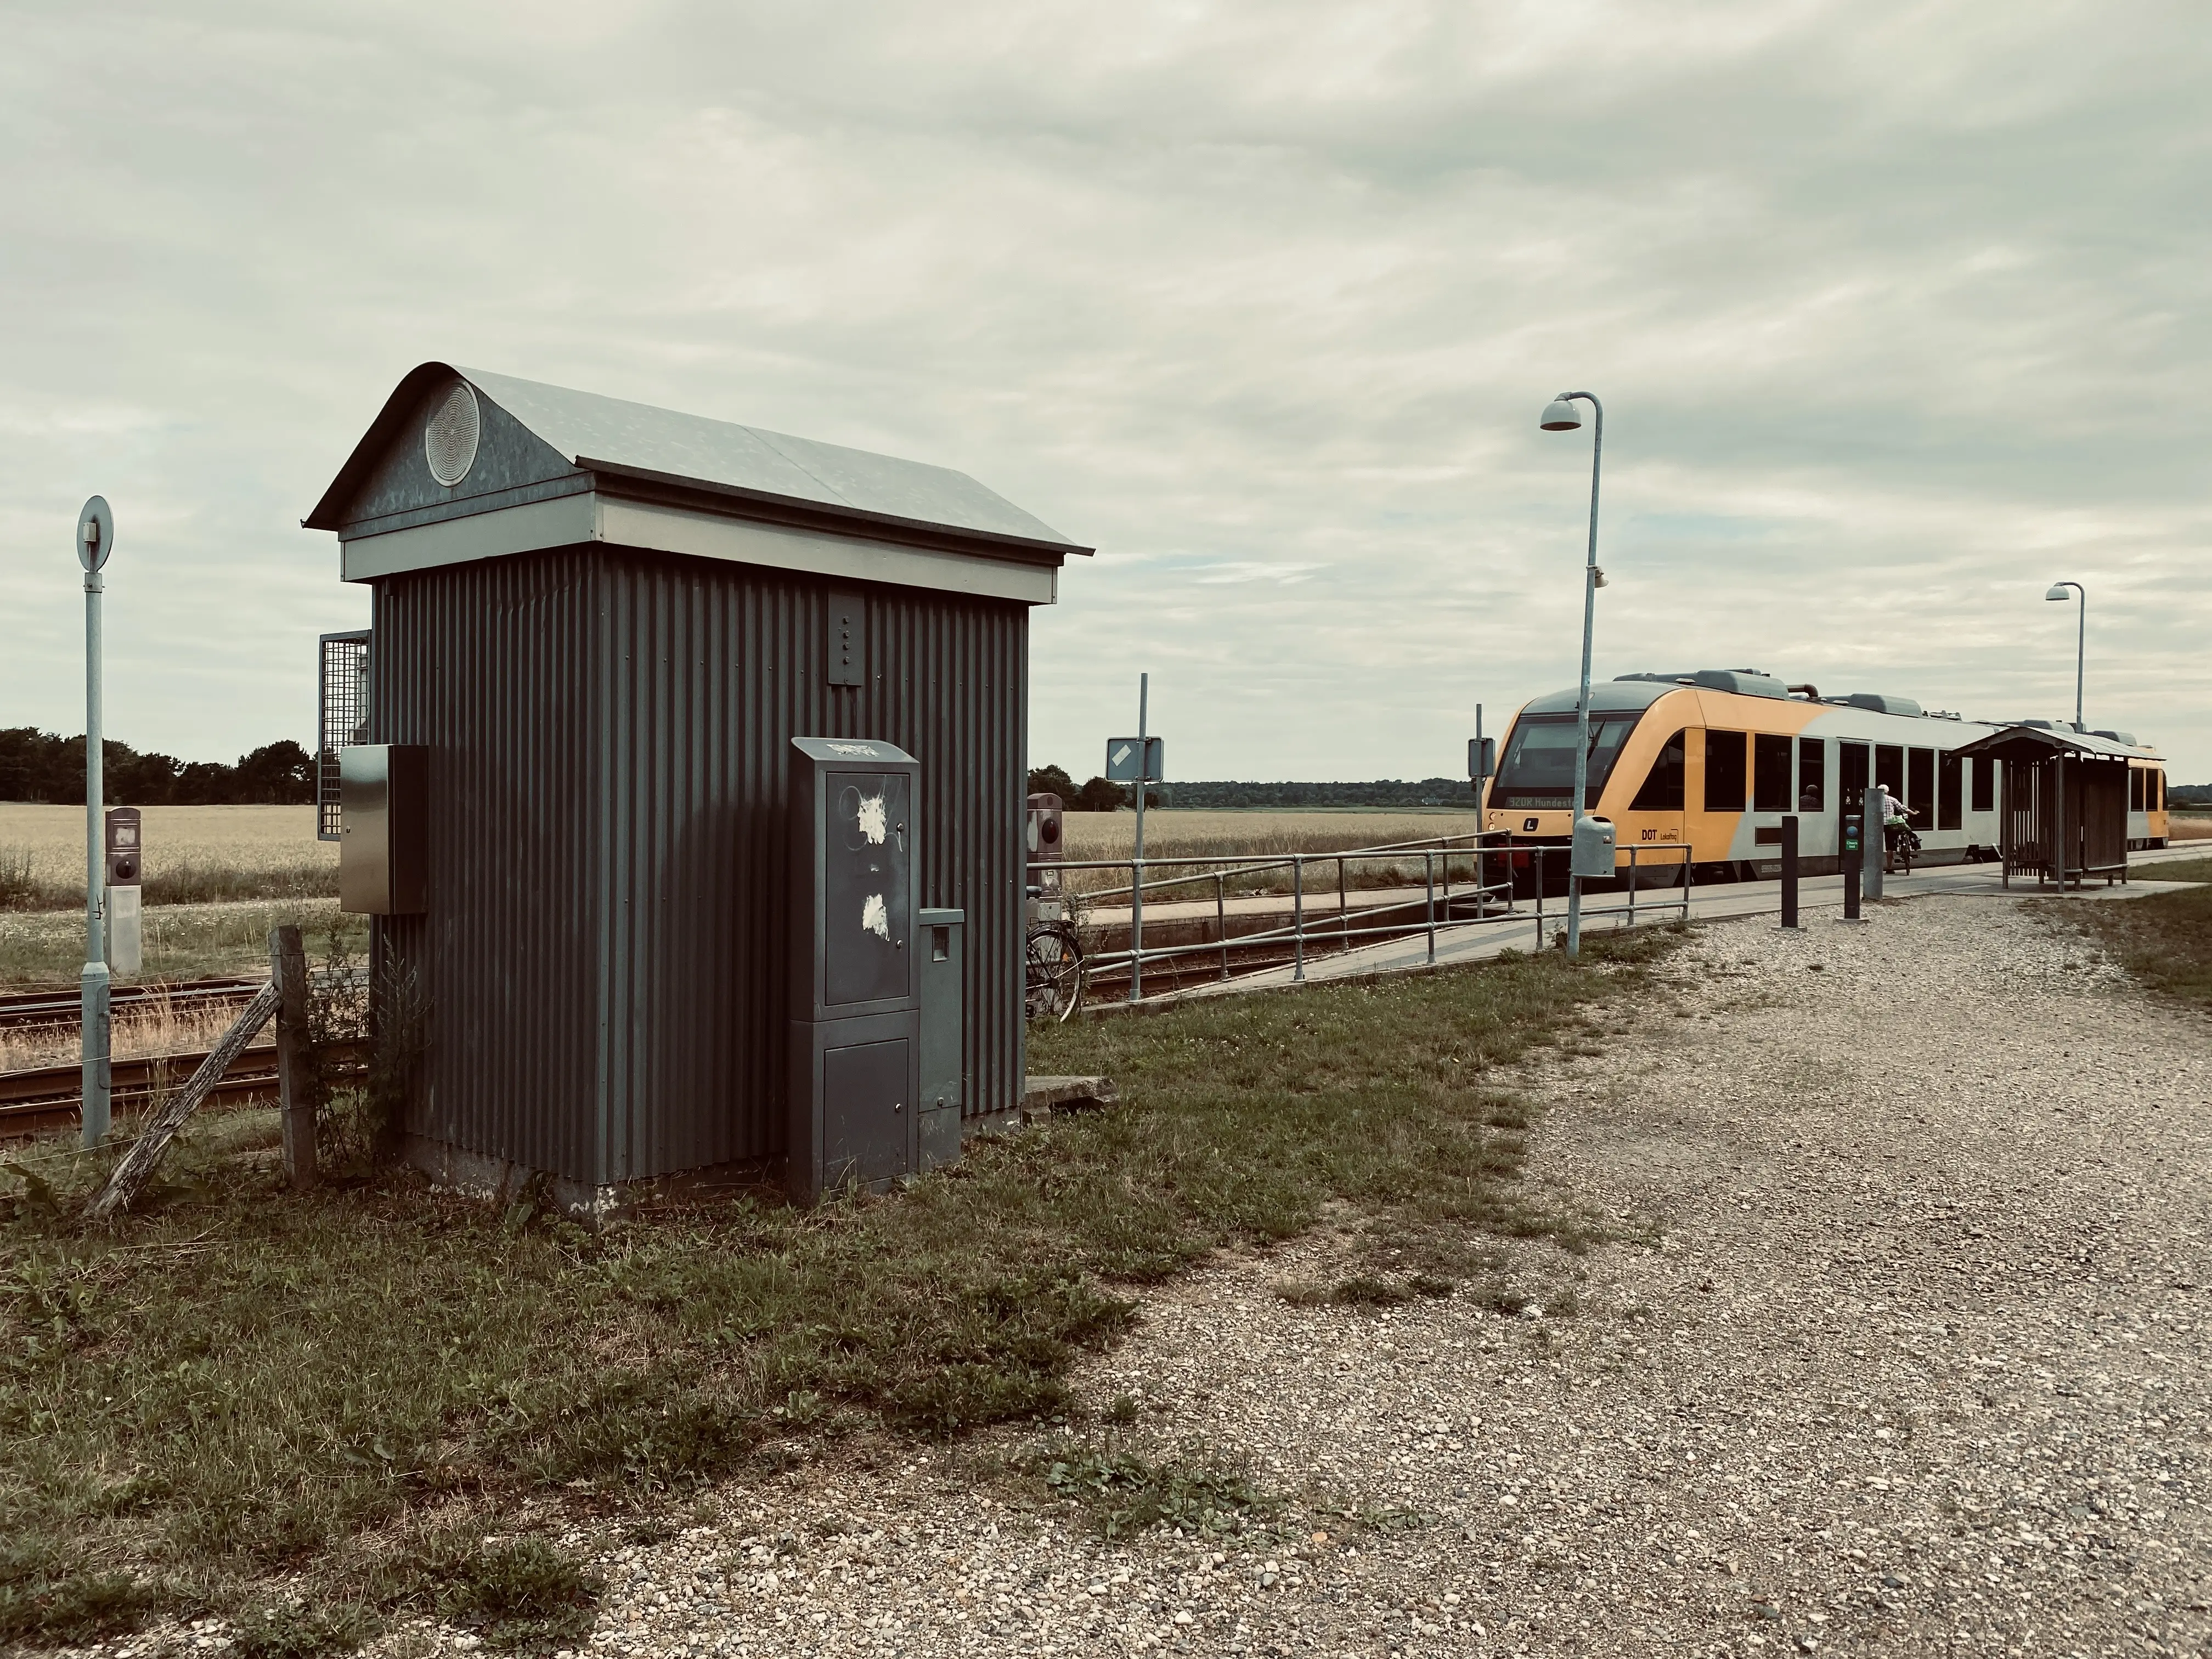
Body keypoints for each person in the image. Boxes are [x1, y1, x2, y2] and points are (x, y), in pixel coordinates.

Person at [1879, 786, 1915, 871]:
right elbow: (1902, 808)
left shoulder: (1876, 800)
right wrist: (1912, 813)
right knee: (1890, 847)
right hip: (1891, 825)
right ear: (1888, 792)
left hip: (1879, 825)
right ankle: (1890, 868)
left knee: (1877, 845)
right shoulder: (1892, 799)